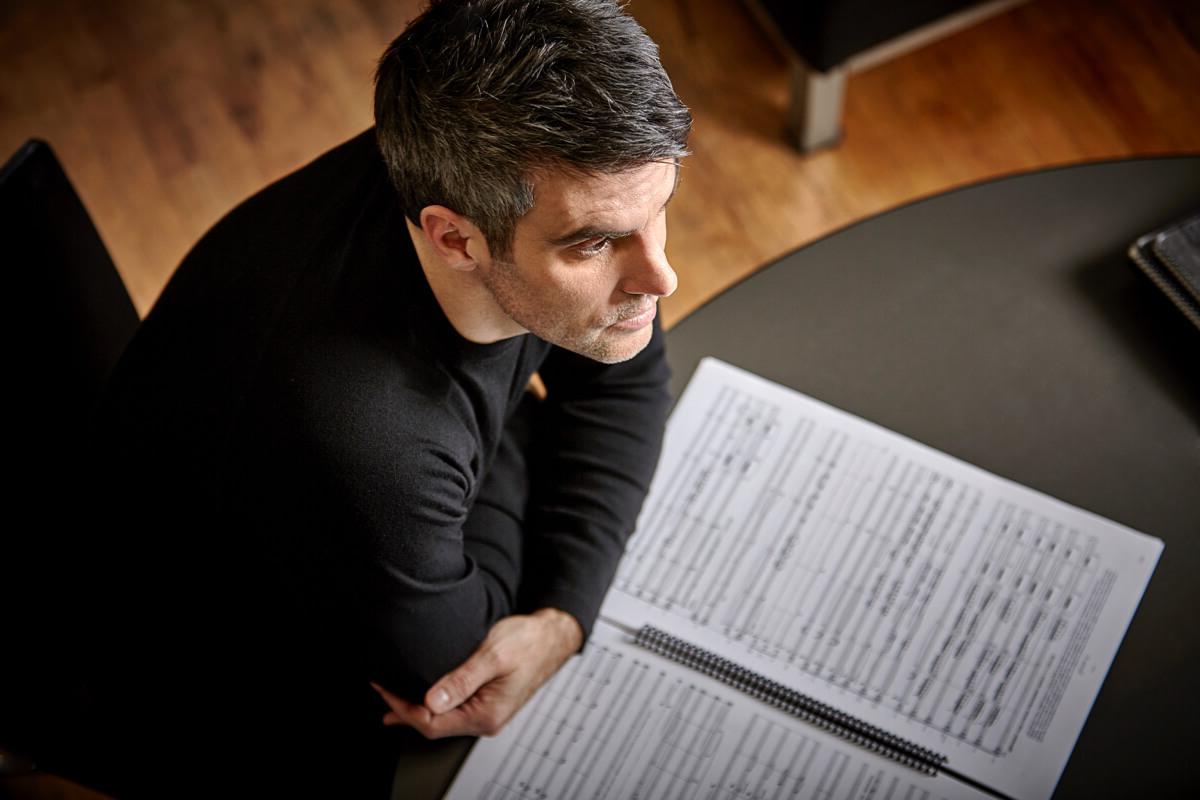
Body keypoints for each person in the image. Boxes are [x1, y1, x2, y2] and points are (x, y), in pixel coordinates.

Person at [82, 0, 691, 796]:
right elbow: (456, 666)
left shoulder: (468, 154)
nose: (661, 276)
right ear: (455, 238)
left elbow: (628, 376)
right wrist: (523, 433)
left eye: (659, 213)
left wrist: (562, 618)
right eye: (596, 241)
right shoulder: (369, 441)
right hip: (223, 704)